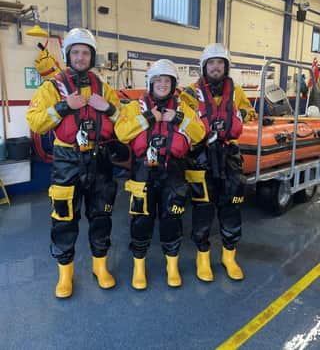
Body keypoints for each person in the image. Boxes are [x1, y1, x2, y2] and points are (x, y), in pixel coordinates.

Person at [26, 28, 121, 298]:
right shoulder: (52, 87)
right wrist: (63, 106)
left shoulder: (104, 88)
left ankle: (100, 267)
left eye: (86, 52)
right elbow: (34, 120)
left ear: (92, 56)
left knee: (101, 216)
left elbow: (125, 123)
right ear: (68, 55)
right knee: (64, 218)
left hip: (100, 158)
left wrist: (110, 109)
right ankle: (65, 276)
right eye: (76, 52)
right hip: (67, 159)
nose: (81, 57)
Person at [114, 59, 205, 289]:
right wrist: (148, 118)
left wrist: (178, 118)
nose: (162, 84)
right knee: (140, 220)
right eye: (158, 80)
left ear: (173, 84)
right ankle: (139, 267)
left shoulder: (184, 109)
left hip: (173, 171)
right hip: (142, 172)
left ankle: (172, 267)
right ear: (150, 82)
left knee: (172, 219)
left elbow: (199, 134)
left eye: (167, 80)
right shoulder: (135, 108)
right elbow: (122, 132)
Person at [180, 43, 254, 282]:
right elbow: (184, 121)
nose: (215, 67)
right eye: (211, 63)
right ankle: (203, 258)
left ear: (226, 67)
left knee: (231, 206)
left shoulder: (237, 92)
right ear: (204, 67)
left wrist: (236, 118)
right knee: (202, 209)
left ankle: (229, 256)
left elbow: (249, 113)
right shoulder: (189, 94)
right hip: (201, 157)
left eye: (220, 63)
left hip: (228, 156)